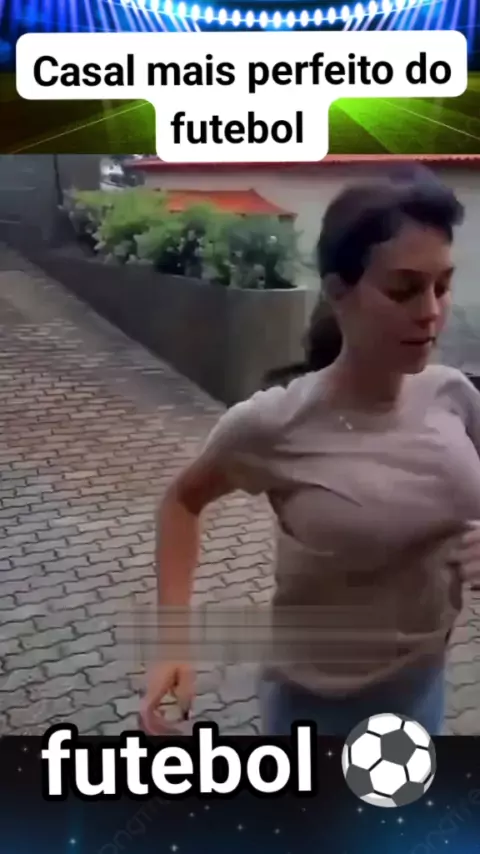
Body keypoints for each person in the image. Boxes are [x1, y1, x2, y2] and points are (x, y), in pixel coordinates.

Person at [141, 167, 480, 737]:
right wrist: (173, 644)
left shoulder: (454, 395)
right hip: (315, 709)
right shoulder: (272, 424)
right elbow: (181, 503)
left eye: (442, 286)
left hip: (424, 690)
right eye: (403, 290)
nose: (430, 311)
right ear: (338, 291)